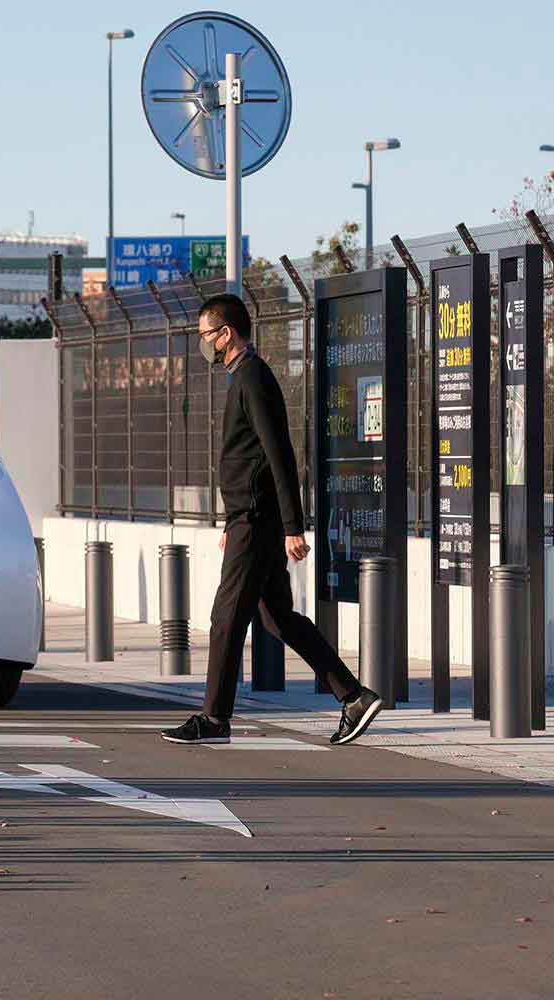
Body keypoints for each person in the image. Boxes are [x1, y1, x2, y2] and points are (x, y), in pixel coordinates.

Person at [161, 293, 383, 747]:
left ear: (227, 333)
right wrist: (233, 520)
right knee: (277, 618)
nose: (205, 344)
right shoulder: (243, 377)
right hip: (248, 518)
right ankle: (353, 696)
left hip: (259, 520)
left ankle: (215, 718)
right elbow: (250, 459)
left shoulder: (253, 378)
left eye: (207, 335)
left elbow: (279, 454)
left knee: (226, 618)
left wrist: (290, 527)